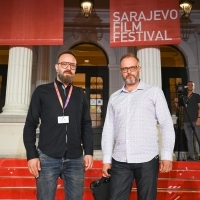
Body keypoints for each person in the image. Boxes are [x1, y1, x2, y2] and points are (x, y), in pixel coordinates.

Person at [101, 53, 175, 200]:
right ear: (121, 71)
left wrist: (166, 154)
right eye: (125, 69)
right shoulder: (115, 97)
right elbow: (108, 130)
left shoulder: (153, 92)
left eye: (132, 68)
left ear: (139, 68)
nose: (129, 72)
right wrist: (106, 159)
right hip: (120, 160)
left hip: (147, 159)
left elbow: (166, 124)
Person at [23, 51, 93, 200]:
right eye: (64, 64)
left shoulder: (80, 94)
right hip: (47, 157)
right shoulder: (42, 92)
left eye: (72, 65)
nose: (68, 68)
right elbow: (30, 124)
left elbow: (86, 124)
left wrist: (89, 151)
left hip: (75, 158)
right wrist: (31, 155)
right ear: (56, 67)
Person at [175, 81, 200, 161]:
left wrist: (199, 118)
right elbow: (181, 109)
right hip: (186, 121)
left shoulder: (196, 96)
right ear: (186, 87)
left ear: (193, 87)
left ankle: (199, 155)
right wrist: (176, 103)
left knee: (198, 138)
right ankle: (191, 156)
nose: (190, 86)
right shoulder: (184, 97)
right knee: (189, 139)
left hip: (195, 119)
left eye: (191, 85)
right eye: (188, 85)